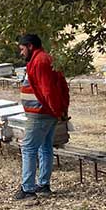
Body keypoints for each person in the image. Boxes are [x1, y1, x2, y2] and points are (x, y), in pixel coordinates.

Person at [14, 34, 70, 200]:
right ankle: (44, 185)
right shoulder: (43, 59)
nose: (21, 53)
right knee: (44, 147)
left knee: (29, 148)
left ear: (30, 46)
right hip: (45, 113)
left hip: (40, 114)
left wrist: (57, 111)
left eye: (22, 49)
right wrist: (57, 112)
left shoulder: (40, 61)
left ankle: (28, 189)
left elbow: (48, 91)